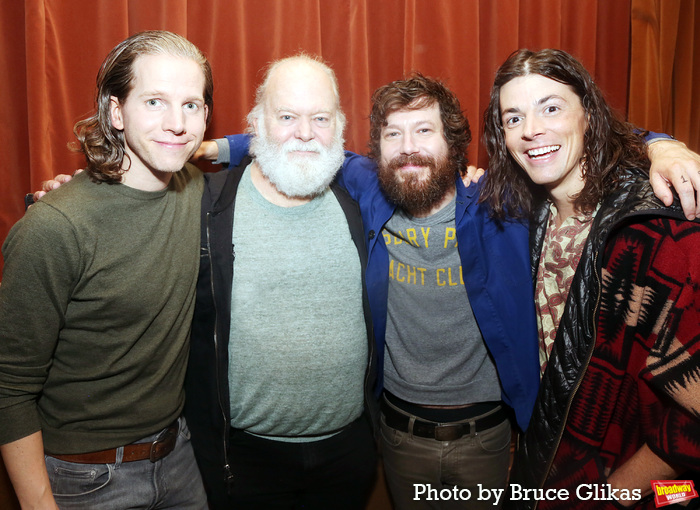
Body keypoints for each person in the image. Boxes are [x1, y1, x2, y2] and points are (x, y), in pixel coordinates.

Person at [201, 72, 700, 510]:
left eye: (424, 130)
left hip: (491, 438)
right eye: (393, 134)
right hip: (397, 436)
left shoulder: (499, 202)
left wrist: (661, 144)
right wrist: (216, 148)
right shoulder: (371, 187)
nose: (408, 146)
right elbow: (298, 140)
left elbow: (573, 138)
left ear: (453, 142)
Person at [0, 31, 211, 510]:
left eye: (192, 105)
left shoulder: (197, 190)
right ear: (116, 112)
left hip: (179, 457)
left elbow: (285, 145)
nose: (177, 124)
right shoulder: (55, 228)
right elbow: (8, 388)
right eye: (155, 101)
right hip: (83, 478)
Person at [481, 48, 700, 509]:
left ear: (589, 114)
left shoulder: (658, 228)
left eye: (552, 108)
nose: (532, 130)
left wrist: (614, 495)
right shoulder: (531, 210)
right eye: (513, 118)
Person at [184, 54, 378, 510]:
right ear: (256, 124)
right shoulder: (206, 206)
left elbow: (424, 179)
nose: (305, 132)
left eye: (320, 118)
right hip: (244, 460)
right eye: (287, 116)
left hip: (349, 455)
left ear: (340, 125)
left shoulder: (363, 198)